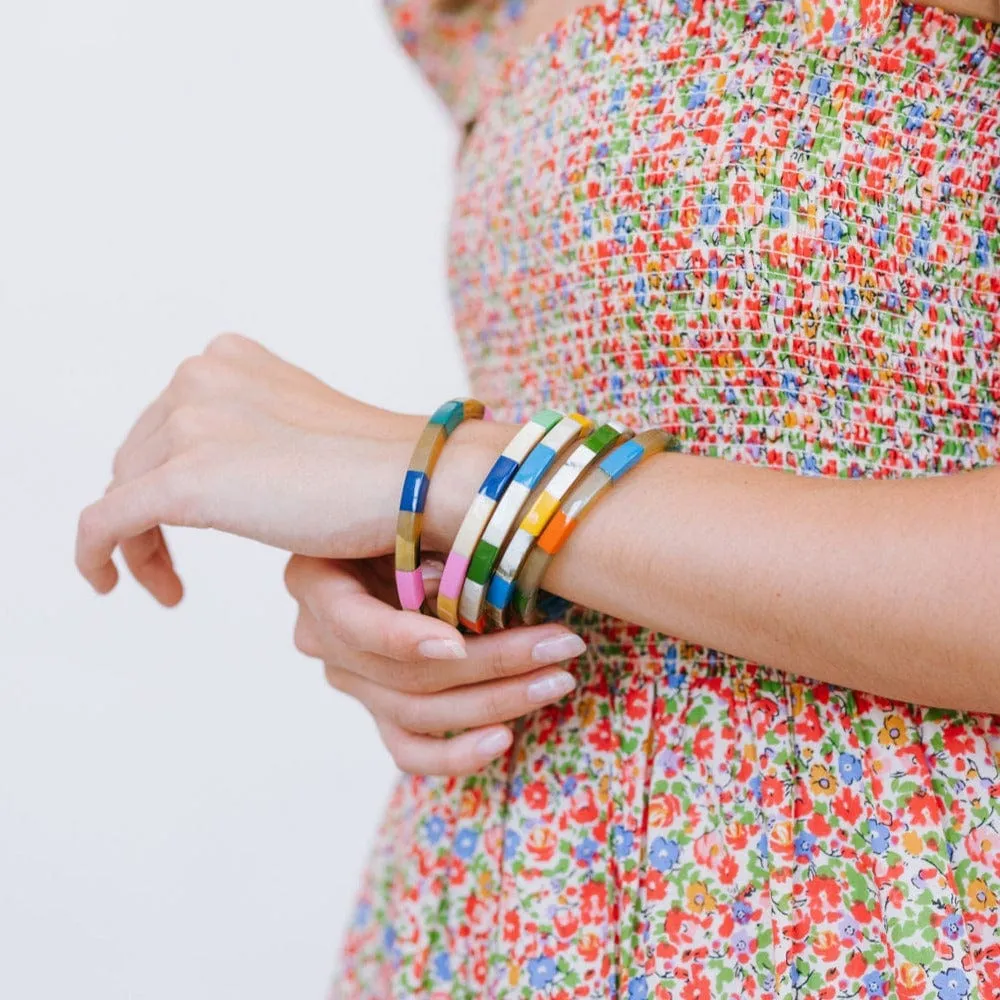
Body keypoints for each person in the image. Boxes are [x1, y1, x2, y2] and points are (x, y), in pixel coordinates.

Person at [75, 0, 1000, 996]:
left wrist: (456, 475)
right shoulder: (467, 17)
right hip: (496, 907)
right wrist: (426, 563)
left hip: (886, 923)